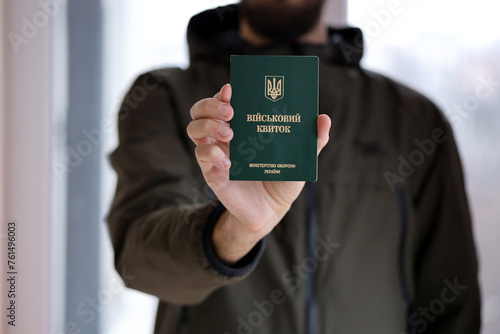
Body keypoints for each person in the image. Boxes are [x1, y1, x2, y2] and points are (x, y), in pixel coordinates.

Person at [107, 1, 481, 333]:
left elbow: (453, 300)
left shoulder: (410, 118)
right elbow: (139, 260)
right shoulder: (164, 98)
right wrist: (235, 231)